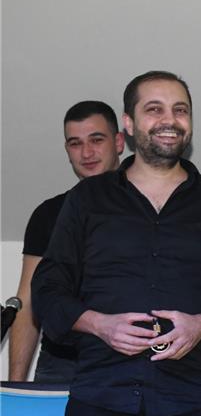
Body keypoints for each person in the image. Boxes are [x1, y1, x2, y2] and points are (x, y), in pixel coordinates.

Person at [32, 71, 201, 416]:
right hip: (100, 400)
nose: (170, 120)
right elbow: (47, 290)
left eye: (180, 110)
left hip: (188, 403)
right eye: (154, 109)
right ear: (129, 124)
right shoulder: (87, 199)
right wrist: (98, 324)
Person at [8, 100, 124, 383]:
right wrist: (15, 387)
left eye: (97, 140)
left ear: (119, 142)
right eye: (75, 143)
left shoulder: (151, 206)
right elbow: (28, 301)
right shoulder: (49, 213)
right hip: (60, 364)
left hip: (131, 362)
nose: (86, 153)